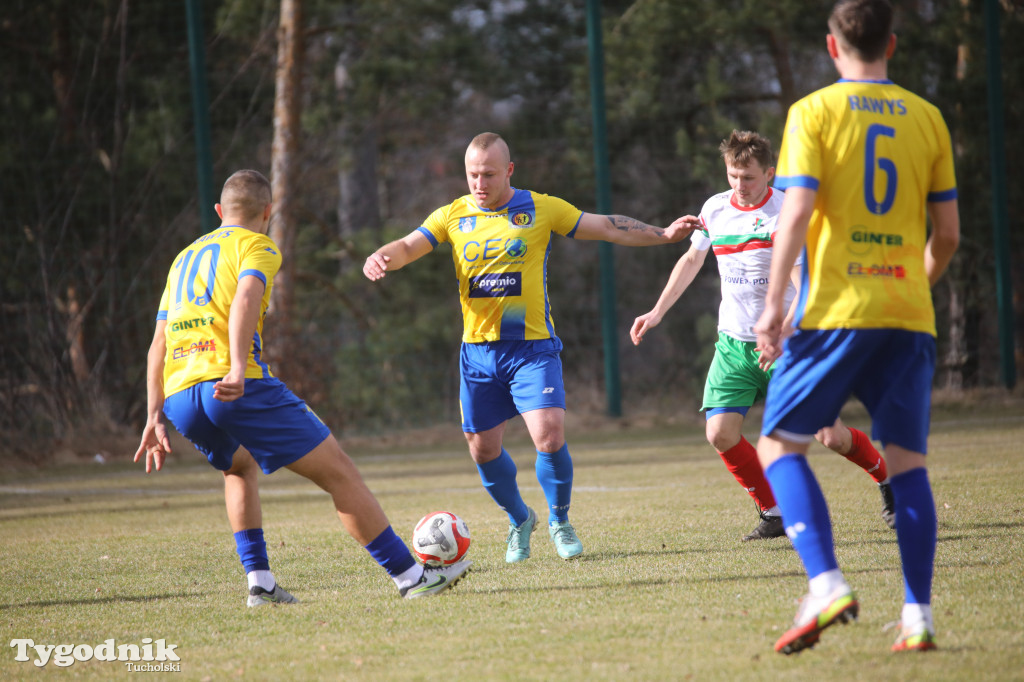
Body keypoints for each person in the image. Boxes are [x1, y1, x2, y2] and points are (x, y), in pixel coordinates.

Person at [134, 170, 470, 605]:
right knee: (340, 472)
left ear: (219, 212)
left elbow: (158, 341)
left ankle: (260, 583)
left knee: (238, 467)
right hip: (234, 386)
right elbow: (246, 299)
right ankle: (411, 577)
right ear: (268, 212)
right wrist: (237, 368)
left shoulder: (182, 259)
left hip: (181, 395)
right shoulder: (256, 245)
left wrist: (153, 413)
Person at [363, 132, 699, 563]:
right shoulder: (453, 214)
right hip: (479, 354)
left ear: (509, 170)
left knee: (549, 434)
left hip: (532, 349)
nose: (479, 184)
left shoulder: (541, 207)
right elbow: (410, 245)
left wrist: (665, 234)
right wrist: (382, 257)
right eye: (472, 175)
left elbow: (605, 226)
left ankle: (559, 520)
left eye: (488, 174)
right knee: (482, 449)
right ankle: (520, 519)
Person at [753, 0, 959, 654]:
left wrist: (774, 306)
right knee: (908, 467)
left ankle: (826, 583)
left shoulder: (812, 113)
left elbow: (796, 214)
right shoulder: (928, 118)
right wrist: (906, 290)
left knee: (779, 447)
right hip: (906, 313)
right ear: (891, 45)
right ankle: (919, 617)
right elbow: (947, 236)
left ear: (833, 47)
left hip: (834, 310)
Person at [630, 130, 895, 542]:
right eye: (733, 176)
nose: (740, 185)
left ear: (769, 173)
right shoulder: (715, 209)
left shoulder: (786, 212)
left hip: (789, 344)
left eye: (749, 177)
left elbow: (803, 282)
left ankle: (886, 477)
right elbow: (690, 259)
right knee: (720, 433)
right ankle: (774, 512)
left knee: (830, 436)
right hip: (734, 344)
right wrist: (657, 311)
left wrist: (782, 335)